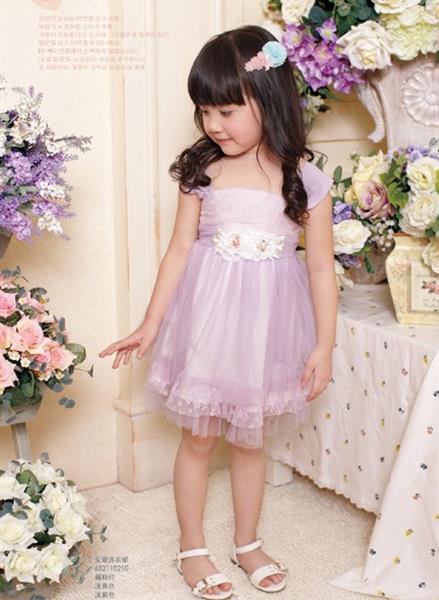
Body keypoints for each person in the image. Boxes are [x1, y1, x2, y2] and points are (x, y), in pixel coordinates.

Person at [99, 24, 337, 600]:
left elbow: (320, 269)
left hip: (267, 330)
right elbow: (179, 250)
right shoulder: (201, 170)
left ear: (269, 101)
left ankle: (248, 542)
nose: (213, 124)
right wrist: (150, 324)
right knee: (201, 438)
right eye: (204, 111)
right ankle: (192, 547)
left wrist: (323, 346)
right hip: (208, 323)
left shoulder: (304, 179)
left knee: (251, 441)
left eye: (226, 111)